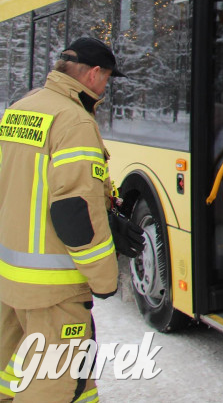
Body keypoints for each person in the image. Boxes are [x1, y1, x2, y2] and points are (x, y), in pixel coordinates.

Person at [0, 37, 144, 402]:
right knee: (55, 384)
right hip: (54, 288)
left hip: (10, 278)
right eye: (108, 79)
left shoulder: (22, 108)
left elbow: (29, 185)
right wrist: (104, 277)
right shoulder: (74, 121)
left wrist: (109, 214)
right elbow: (74, 209)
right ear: (94, 74)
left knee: (12, 372)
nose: (106, 89)